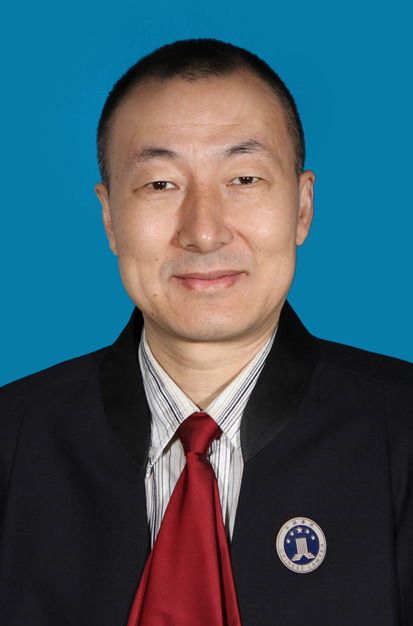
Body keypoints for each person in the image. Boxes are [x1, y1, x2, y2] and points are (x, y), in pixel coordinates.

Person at [0, 38, 412, 626]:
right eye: (160, 185)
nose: (203, 231)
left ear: (302, 207)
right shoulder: (12, 440)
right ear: (110, 217)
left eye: (243, 178)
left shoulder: (401, 432)